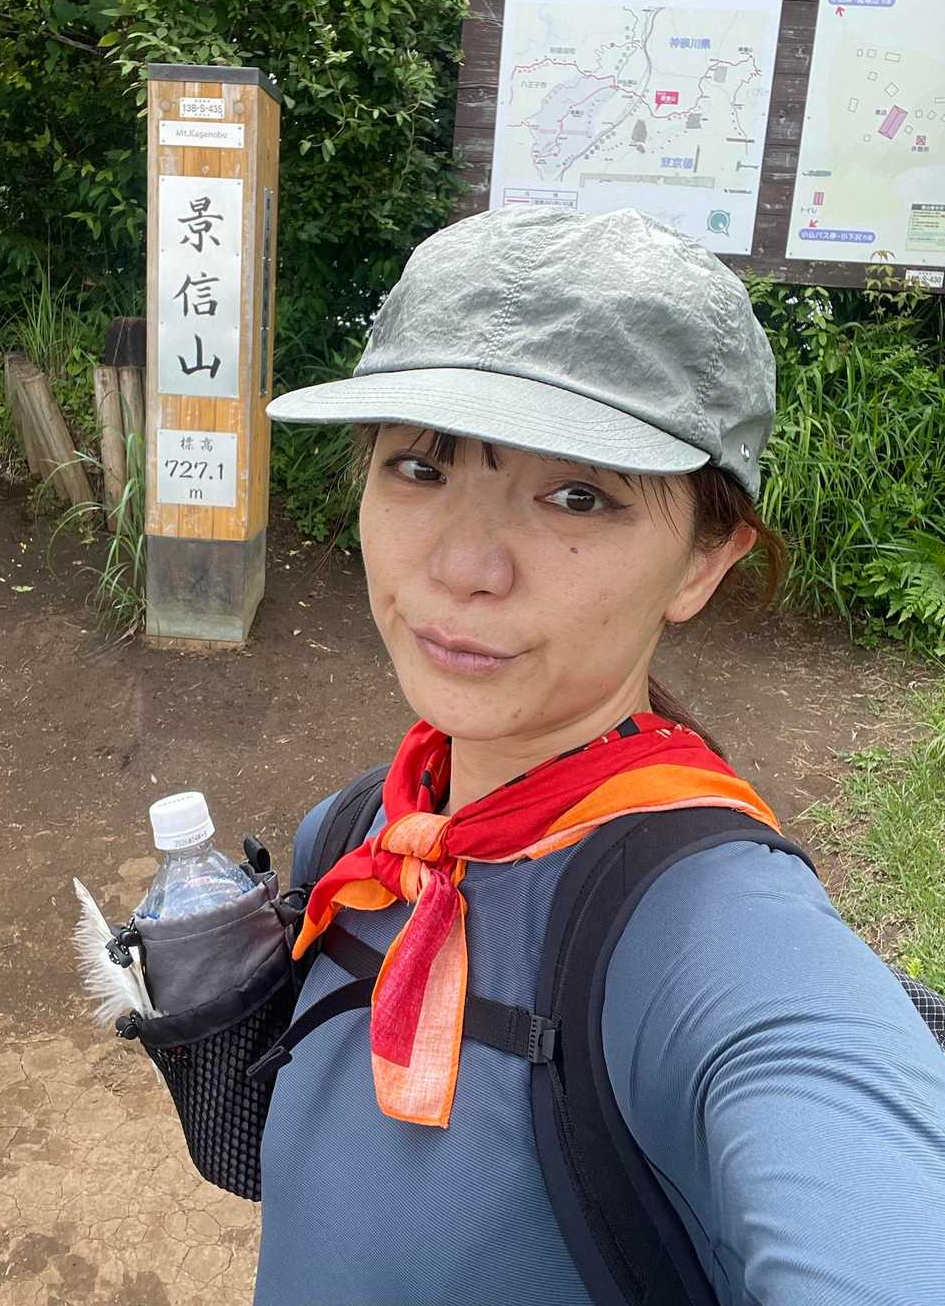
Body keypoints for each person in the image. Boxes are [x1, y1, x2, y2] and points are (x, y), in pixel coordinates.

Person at [254, 206, 945, 1306]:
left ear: (704, 562)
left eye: (578, 495)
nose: (466, 566)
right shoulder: (358, 834)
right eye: (420, 468)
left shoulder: (711, 940)